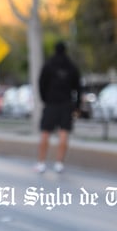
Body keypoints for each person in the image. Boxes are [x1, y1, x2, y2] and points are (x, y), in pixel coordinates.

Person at [35, 41, 82, 173]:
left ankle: (41, 163)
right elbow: (78, 88)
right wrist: (77, 106)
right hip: (66, 104)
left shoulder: (48, 65)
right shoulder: (71, 67)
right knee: (64, 133)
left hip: (51, 103)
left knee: (45, 132)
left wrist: (44, 99)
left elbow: (41, 84)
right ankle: (59, 163)